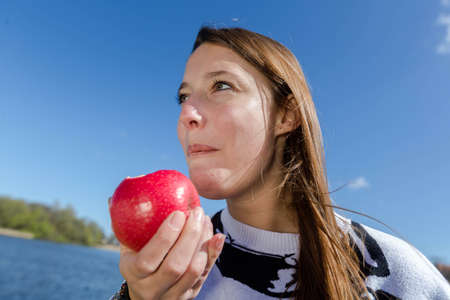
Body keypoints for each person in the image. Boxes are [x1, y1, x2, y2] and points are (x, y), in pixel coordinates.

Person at [111, 26, 450, 300]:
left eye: (222, 85)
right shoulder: (169, 268)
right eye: (184, 97)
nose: (187, 114)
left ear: (286, 115)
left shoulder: (399, 275)